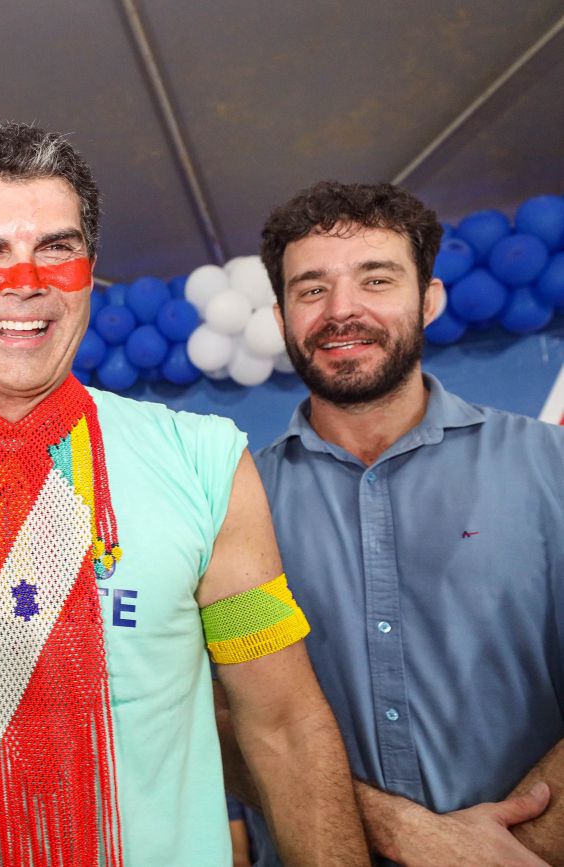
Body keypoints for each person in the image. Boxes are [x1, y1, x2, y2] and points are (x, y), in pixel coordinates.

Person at [0, 123, 368, 865]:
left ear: (89, 274)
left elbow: (283, 724)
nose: (24, 280)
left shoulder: (206, 462)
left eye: (56, 248)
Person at [236, 180, 564, 865]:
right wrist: (405, 831)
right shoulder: (235, 504)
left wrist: (515, 850)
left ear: (429, 299)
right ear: (281, 316)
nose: (341, 310)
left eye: (376, 279)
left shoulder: (550, 465)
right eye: (312, 288)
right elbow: (224, 714)